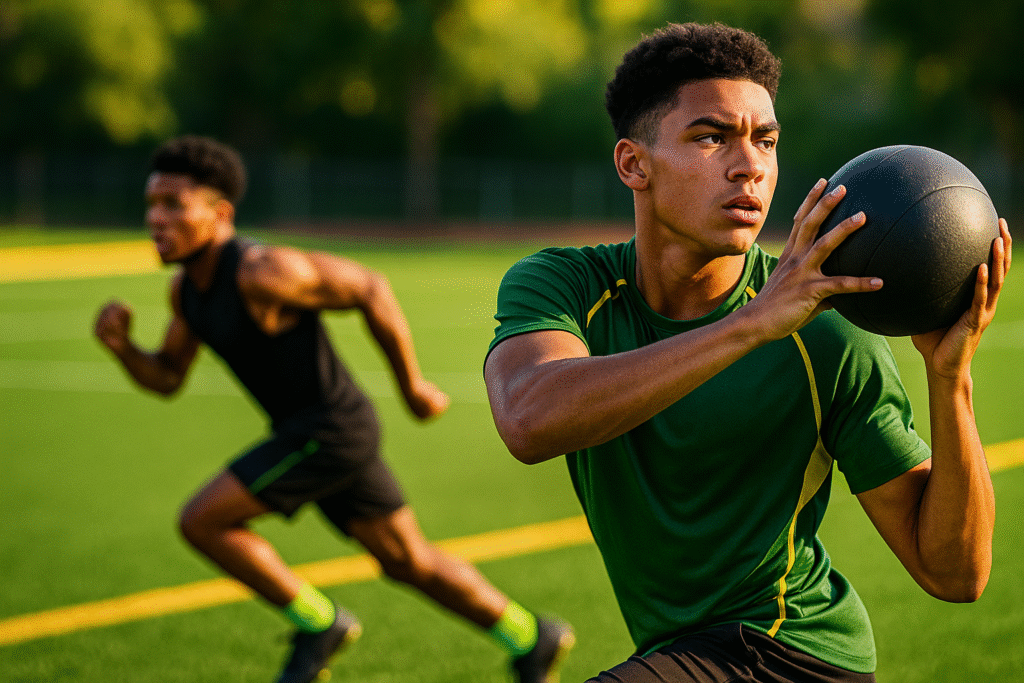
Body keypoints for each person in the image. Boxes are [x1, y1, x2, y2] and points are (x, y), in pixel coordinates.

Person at [483, 22, 1011, 683]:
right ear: (633, 164)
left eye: (766, 140)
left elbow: (955, 573)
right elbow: (529, 418)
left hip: (792, 654)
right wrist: (752, 324)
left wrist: (950, 377)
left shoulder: (826, 333)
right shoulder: (565, 286)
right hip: (682, 652)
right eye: (711, 138)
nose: (750, 166)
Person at [94, 135, 574, 683]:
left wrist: (412, 386)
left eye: (173, 205)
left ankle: (319, 623)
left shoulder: (261, 271)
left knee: (202, 520)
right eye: (151, 205)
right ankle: (531, 637)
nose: (156, 219)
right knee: (407, 561)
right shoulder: (186, 292)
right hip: (318, 434)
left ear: (220, 213)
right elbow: (166, 377)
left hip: (327, 431)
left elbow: (370, 287)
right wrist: (123, 348)